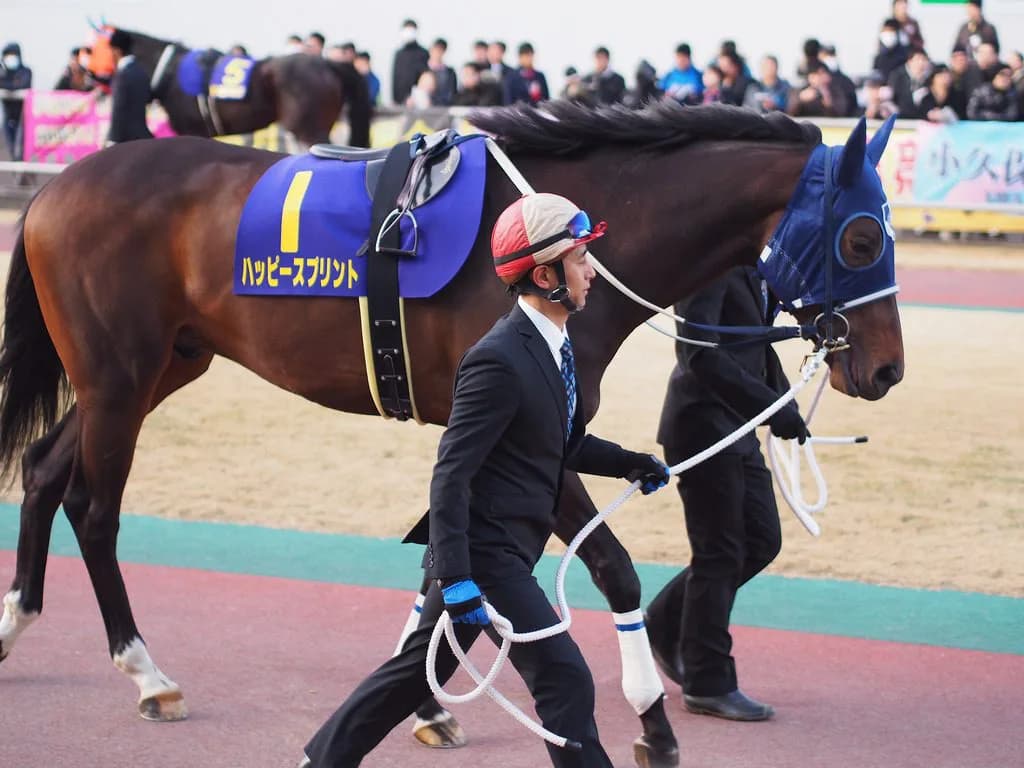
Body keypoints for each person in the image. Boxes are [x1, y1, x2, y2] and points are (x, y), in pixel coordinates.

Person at [298, 192, 670, 768]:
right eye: (580, 260)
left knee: (411, 677)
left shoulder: (555, 345)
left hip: (504, 552)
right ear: (545, 275)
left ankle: (319, 761)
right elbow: (450, 473)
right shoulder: (497, 359)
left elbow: (562, 441)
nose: (591, 271)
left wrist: (630, 461)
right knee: (564, 678)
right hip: (482, 556)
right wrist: (456, 577)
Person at [645, 265, 807, 722]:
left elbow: (756, 343)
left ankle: (665, 618)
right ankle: (707, 682)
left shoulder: (750, 265)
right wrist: (769, 407)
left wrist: (783, 402)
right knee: (720, 553)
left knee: (761, 541)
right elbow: (699, 354)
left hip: (736, 428)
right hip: (701, 427)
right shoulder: (711, 264)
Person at [106, 30, 152, 144]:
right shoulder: (142, 71)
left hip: (125, 141)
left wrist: (113, 139)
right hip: (144, 137)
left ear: (116, 51)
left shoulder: (122, 76)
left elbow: (119, 109)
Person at [0, 42, 32, 161]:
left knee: (21, 150)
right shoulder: (2, 70)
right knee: (10, 149)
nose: (11, 58)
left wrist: (8, 85)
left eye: (13, 54)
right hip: (7, 117)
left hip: (22, 117)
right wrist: (12, 84)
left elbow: (24, 83)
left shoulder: (26, 71)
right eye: (8, 55)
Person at [391, 18, 429, 106]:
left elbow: (424, 78)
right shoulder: (399, 54)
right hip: (400, 101)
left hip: (417, 101)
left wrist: (415, 97)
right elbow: (395, 78)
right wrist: (395, 99)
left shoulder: (423, 53)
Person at [873, 18, 910, 83]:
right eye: (885, 31)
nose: (888, 35)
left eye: (891, 31)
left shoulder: (905, 55)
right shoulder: (878, 58)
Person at [427, 38, 457, 106]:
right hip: (422, 110)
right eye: (436, 49)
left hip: (442, 109)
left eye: (441, 50)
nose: (438, 53)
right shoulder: (420, 69)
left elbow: (452, 93)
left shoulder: (450, 72)